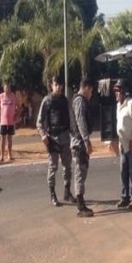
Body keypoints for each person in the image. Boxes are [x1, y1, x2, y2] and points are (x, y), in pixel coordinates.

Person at [36, 76, 75, 206]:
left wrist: (74, 133)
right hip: (52, 138)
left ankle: (67, 191)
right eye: (56, 84)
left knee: (67, 167)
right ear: (52, 85)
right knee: (53, 167)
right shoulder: (47, 101)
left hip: (65, 136)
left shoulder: (65, 100)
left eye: (60, 84)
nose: (58, 87)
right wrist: (43, 135)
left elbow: (70, 118)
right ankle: (52, 194)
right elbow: (39, 122)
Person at [114, 79, 132, 209]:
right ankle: (124, 197)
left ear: (124, 92)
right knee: (123, 172)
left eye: (118, 91)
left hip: (131, 144)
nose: (116, 94)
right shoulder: (118, 106)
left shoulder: (131, 103)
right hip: (123, 144)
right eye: (115, 91)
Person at [70, 77, 95, 217]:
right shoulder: (79, 101)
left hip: (79, 141)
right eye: (91, 91)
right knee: (80, 172)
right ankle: (80, 206)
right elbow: (81, 123)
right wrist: (87, 142)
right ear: (86, 88)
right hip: (79, 142)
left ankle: (81, 202)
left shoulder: (80, 101)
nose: (91, 94)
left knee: (82, 171)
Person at [0, 82, 18, 162]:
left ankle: (10, 155)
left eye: (8, 87)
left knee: (10, 139)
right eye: (6, 87)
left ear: (10, 88)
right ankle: (1, 156)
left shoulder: (13, 96)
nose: (7, 89)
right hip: (3, 122)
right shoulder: (1, 96)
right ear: (4, 88)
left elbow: (19, 106)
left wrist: (16, 116)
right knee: (2, 139)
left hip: (11, 122)